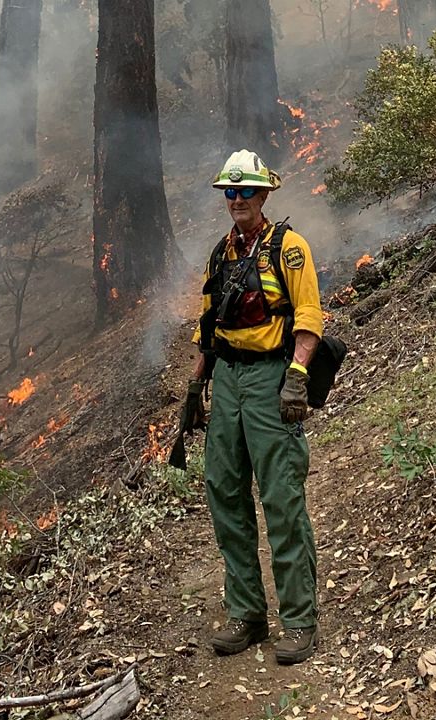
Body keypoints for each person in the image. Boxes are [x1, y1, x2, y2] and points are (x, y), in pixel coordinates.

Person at [190, 149, 323, 665]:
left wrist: (297, 375)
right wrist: (196, 388)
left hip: (271, 375)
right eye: (230, 191)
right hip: (227, 378)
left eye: (246, 190)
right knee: (224, 490)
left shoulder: (288, 249)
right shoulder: (219, 255)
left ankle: (298, 621)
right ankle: (246, 613)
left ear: (264, 194)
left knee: (281, 495)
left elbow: (310, 314)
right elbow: (208, 326)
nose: (237, 200)